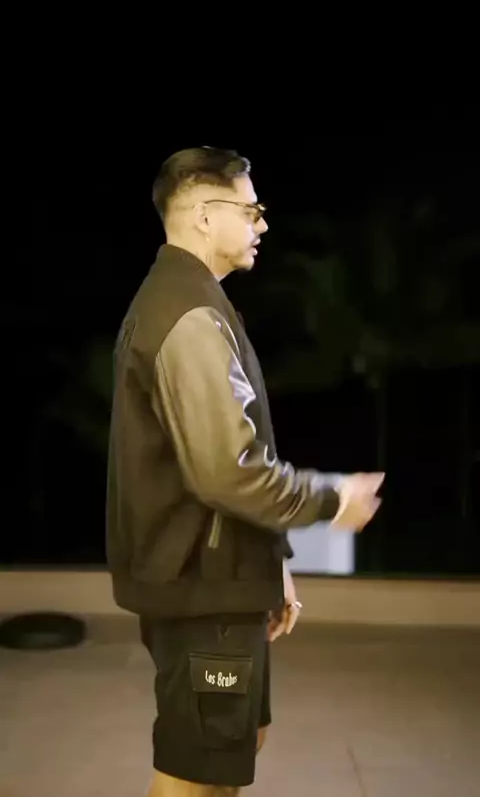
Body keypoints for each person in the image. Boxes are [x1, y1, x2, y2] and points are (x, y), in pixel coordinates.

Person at [106, 146, 384, 796]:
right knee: (194, 774)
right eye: (251, 210)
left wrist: (269, 565)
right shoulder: (188, 316)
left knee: (231, 750)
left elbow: (219, 462)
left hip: (220, 581)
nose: (262, 224)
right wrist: (331, 498)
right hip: (200, 588)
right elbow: (228, 472)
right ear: (206, 215)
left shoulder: (191, 302)